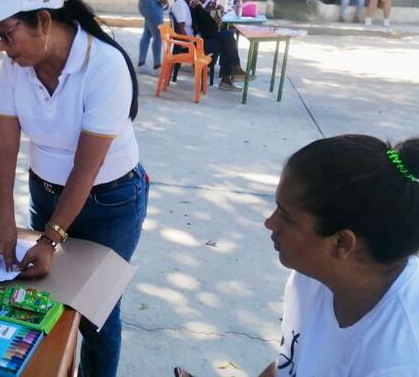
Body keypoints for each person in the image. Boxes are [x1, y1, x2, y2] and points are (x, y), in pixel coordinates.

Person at [0, 0, 148, 377]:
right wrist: (3, 221)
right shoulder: (15, 66)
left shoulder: (104, 66)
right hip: (47, 193)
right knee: (45, 301)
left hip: (109, 201)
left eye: (6, 34)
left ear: (43, 20)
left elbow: (86, 166)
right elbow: (4, 146)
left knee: (97, 312)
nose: (2, 48)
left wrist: (51, 239)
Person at [176, 134, 419, 377]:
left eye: (286, 216)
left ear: (341, 243)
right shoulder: (315, 275)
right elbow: (287, 365)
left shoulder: (396, 360)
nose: (269, 222)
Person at [170, 0, 250, 91]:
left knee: (227, 37)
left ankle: (231, 75)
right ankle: (231, 75)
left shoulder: (186, 3)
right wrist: (190, 45)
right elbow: (180, 29)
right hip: (191, 46)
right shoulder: (181, 5)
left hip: (196, 41)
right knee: (227, 39)